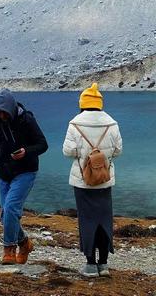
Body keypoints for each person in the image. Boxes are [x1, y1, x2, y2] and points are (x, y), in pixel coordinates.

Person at [63, 83, 122, 278]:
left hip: (83, 181)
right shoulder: (112, 123)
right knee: (104, 219)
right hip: (104, 180)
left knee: (86, 220)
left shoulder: (75, 124)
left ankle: (90, 265)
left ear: (83, 103)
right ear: (99, 104)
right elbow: (117, 151)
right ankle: (104, 264)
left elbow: (68, 152)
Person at [0, 88, 48, 265]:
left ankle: (9, 249)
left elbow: (43, 144)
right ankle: (24, 243)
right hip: (4, 172)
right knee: (6, 216)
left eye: (4, 113)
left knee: (11, 208)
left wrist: (26, 152)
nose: (1, 116)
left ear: (10, 110)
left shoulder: (26, 119)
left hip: (26, 171)